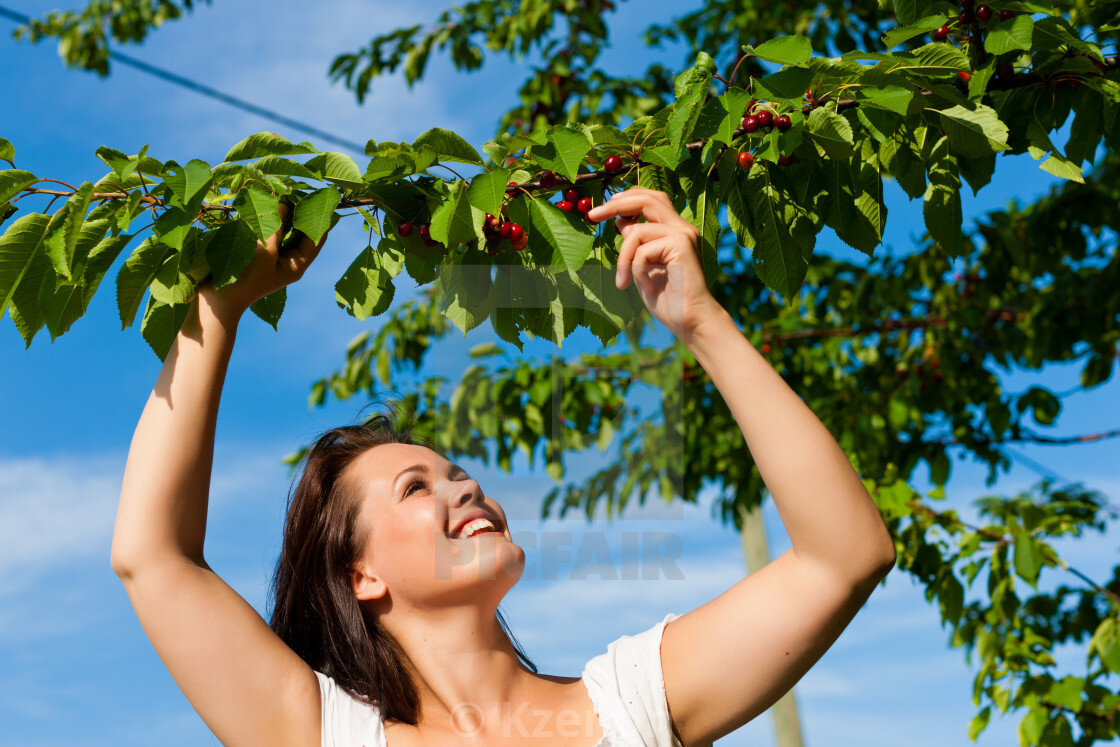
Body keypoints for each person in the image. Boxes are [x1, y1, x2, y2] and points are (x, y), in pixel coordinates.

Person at [110, 187, 897, 746]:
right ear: (362, 577)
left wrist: (703, 324)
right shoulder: (329, 735)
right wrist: (216, 309)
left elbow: (844, 556)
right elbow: (153, 557)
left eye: (458, 473)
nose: (468, 487)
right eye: (417, 487)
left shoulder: (629, 706)